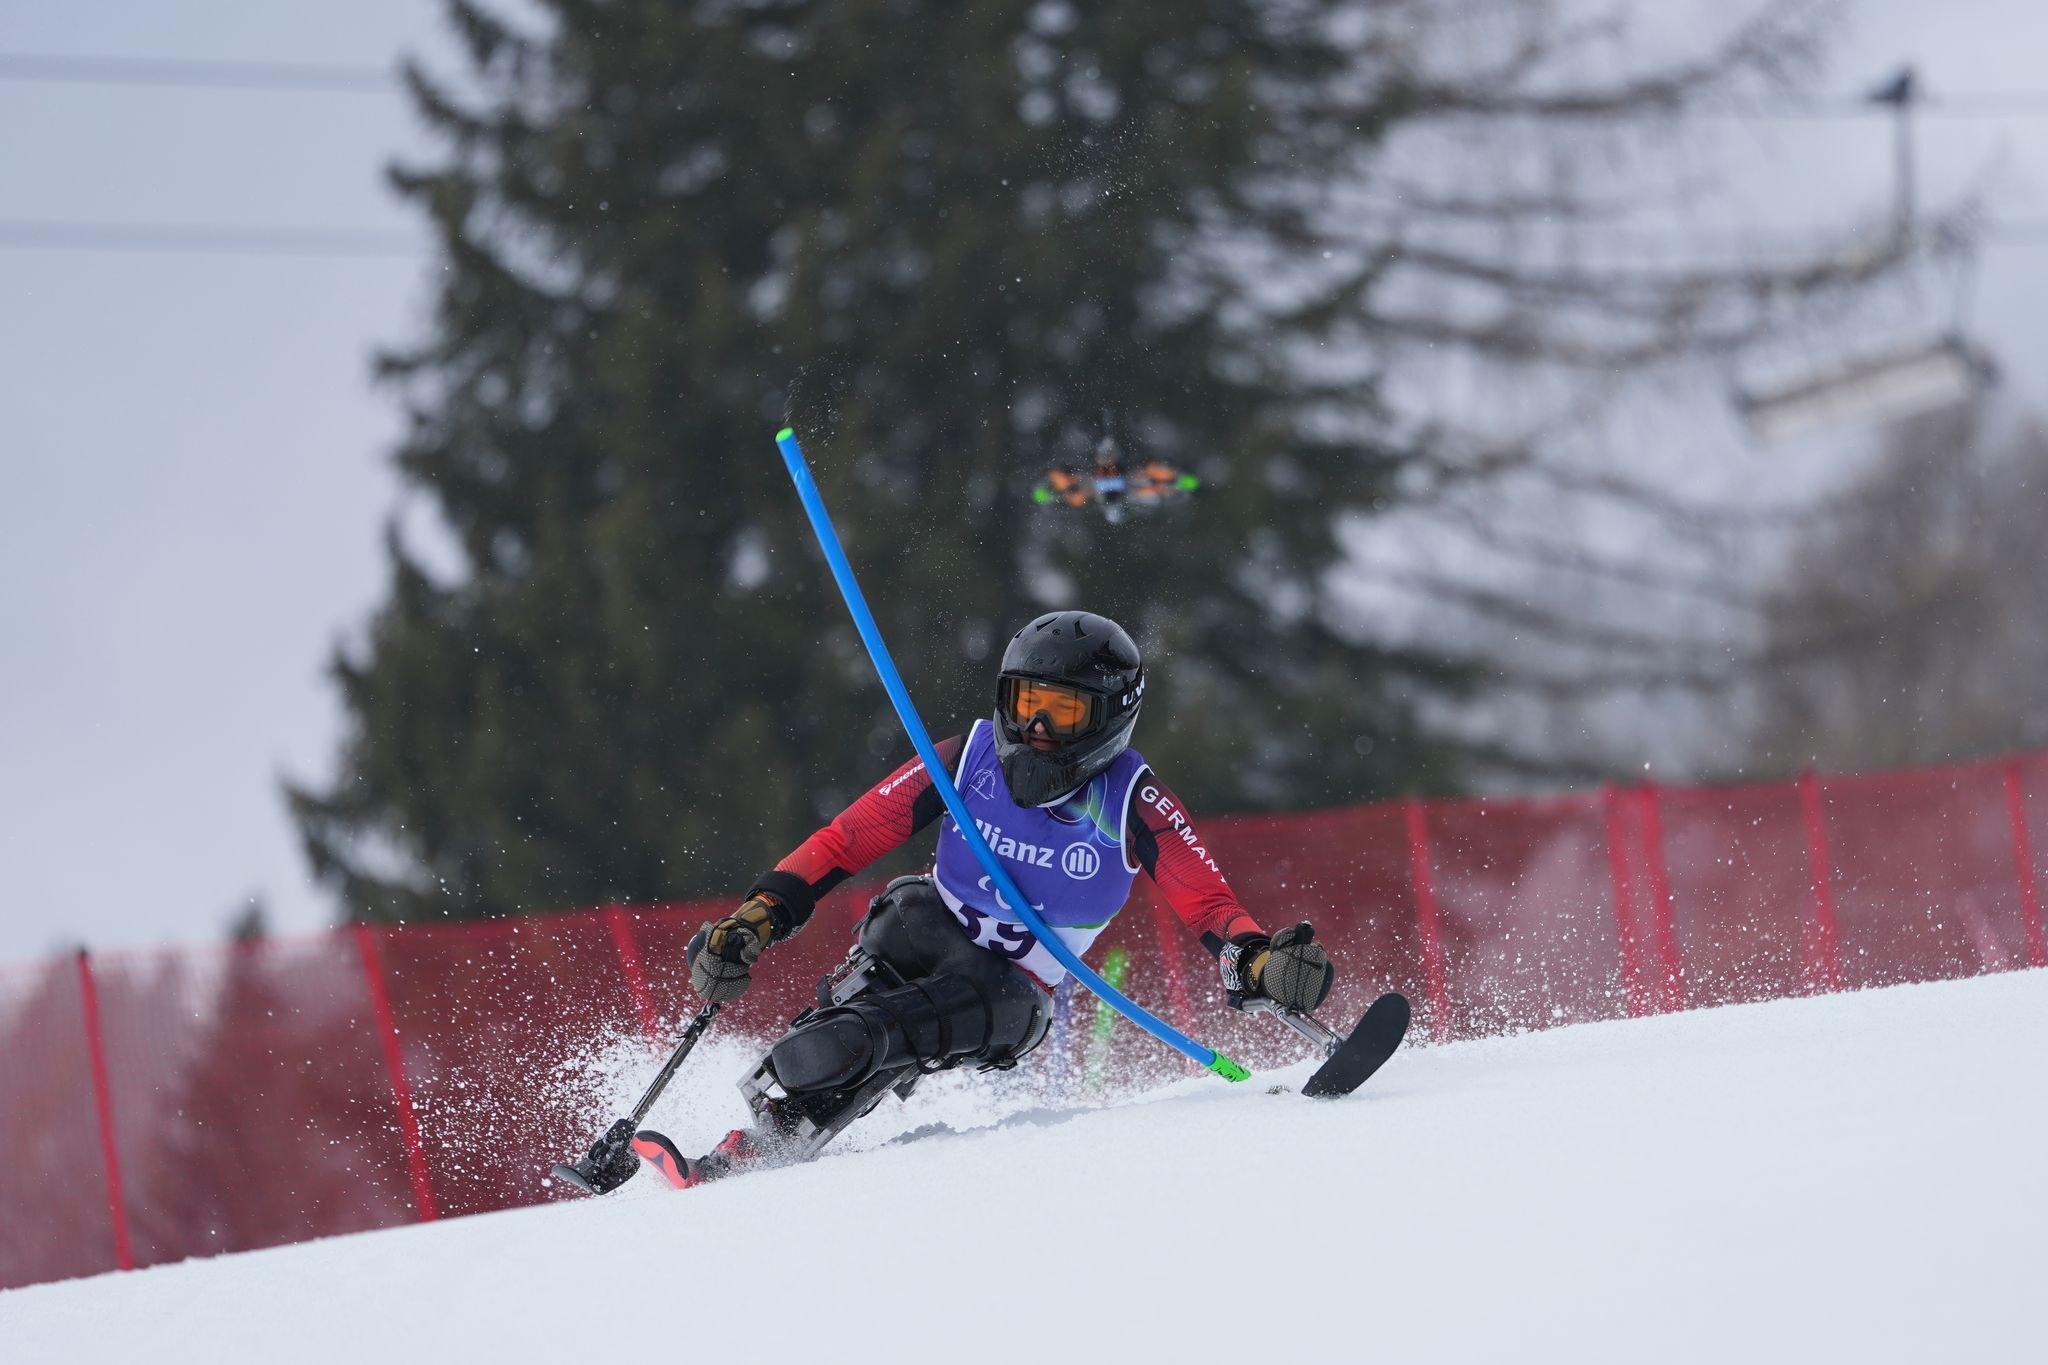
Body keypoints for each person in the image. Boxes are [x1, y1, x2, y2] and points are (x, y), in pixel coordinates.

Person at [629, 610, 1337, 1188]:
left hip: (1011, 989)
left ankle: (814, 1084)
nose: (1036, 732)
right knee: (844, 1023)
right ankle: (759, 1141)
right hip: (921, 926)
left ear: (1109, 718)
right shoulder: (967, 757)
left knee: (869, 1039)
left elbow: (1209, 904)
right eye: (1026, 705)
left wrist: (1260, 962)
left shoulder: (1130, 799)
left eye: (1062, 712)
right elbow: (848, 837)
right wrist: (758, 917)